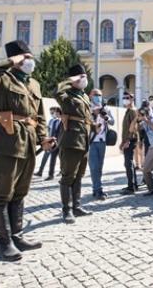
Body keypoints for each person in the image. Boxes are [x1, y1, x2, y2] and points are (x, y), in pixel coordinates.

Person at [0, 40, 54, 261]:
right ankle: (4, 243)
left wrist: (43, 138)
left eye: (29, 57)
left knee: (20, 192)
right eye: (25, 58)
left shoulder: (34, 85)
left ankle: (17, 235)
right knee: (2, 193)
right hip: (7, 140)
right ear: (16, 60)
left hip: (28, 142)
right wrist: (10, 62)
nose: (30, 61)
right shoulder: (2, 78)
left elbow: (39, 117)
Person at [53, 64, 97, 223]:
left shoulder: (84, 95)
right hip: (71, 140)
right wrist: (70, 80)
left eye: (84, 76)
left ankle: (76, 207)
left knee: (79, 175)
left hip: (84, 140)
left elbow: (85, 117)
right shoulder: (66, 94)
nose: (84, 79)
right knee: (68, 176)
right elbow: (56, 91)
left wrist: (93, 126)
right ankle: (67, 210)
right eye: (81, 77)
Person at [88, 89, 115, 200]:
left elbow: (112, 122)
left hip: (102, 141)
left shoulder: (106, 108)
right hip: (91, 141)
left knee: (99, 167)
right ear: (90, 96)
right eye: (96, 95)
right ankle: (98, 190)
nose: (98, 97)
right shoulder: (87, 107)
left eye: (100, 95)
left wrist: (106, 117)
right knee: (94, 166)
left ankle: (96, 189)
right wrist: (93, 116)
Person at [34, 107, 61, 180]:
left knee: (60, 158)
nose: (52, 114)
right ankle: (41, 171)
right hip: (50, 141)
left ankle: (61, 171)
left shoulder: (60, 121)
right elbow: (48, 130)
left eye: (53, 112)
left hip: (57, 142)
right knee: (46, 157)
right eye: (51, 113)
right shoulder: (51, 121)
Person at [120, 92, 139, 195]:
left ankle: (131, 187)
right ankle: (133, 184)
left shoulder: (132, 111)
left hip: (130, 140)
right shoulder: (128, 111)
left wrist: (128, 140)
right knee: (129, 163)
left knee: (128, 163)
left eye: (127, 98)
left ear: (132, 99)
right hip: (127, 139)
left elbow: (133, 127)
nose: (125, 99)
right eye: (124, 98)